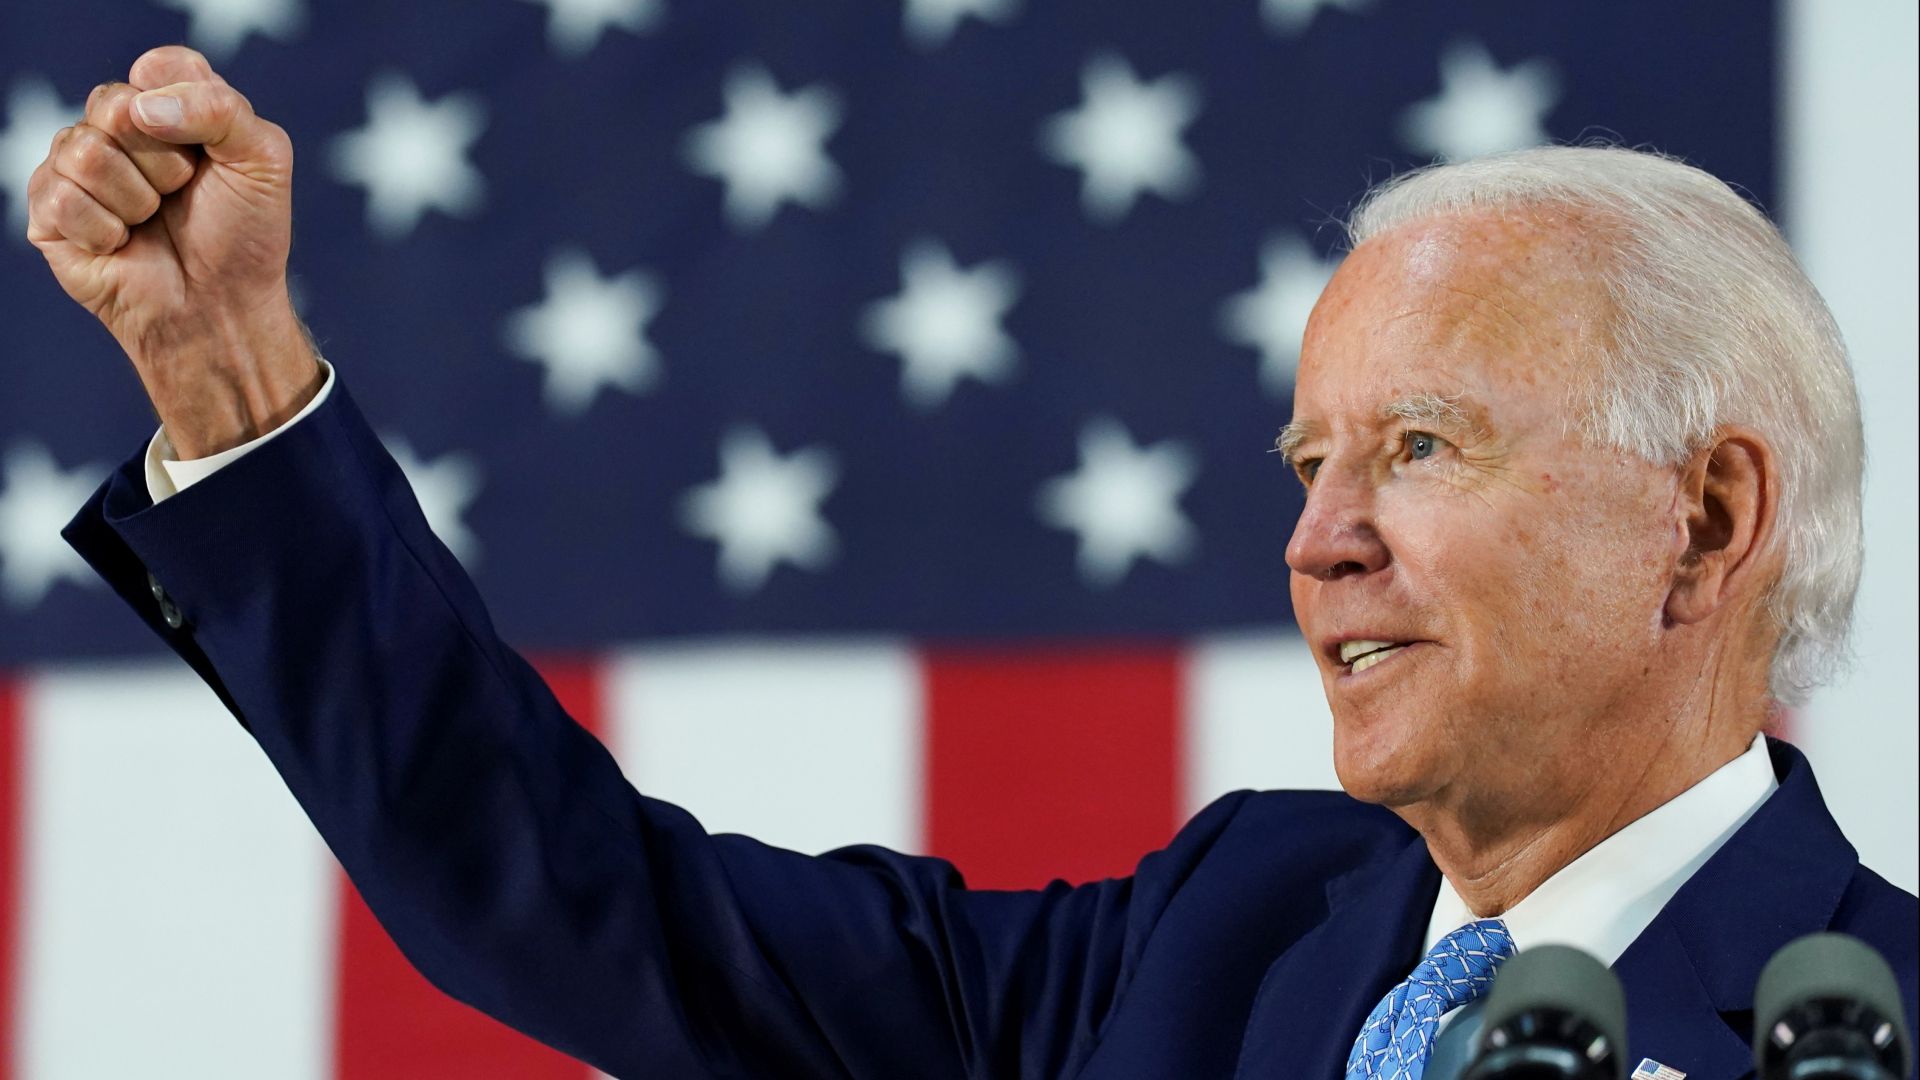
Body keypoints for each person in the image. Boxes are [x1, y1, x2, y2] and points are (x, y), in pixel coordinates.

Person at [26, 45, 1918, 1079]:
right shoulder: (1224, 933)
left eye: (1421, 449)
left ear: (1708, 522)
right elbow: (578, 905)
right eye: (1310, 460)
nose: (1320, 542)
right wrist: (228, 379)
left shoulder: (1870, 1022)